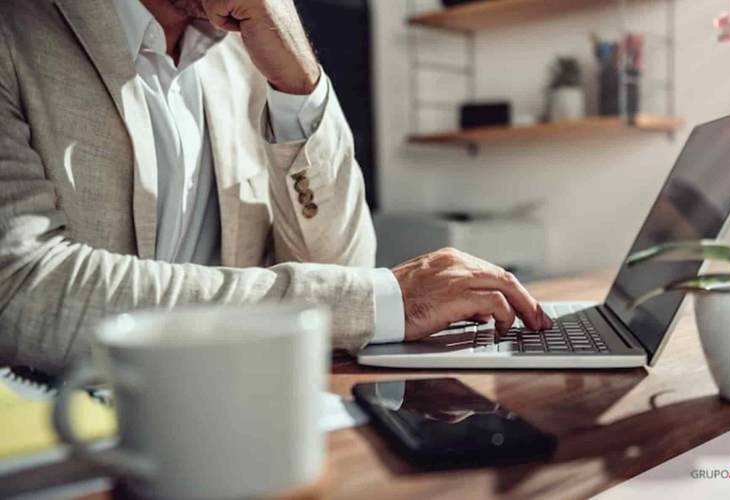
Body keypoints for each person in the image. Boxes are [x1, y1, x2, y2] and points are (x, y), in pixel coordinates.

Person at [0, 0, 551, 374]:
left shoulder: (245, 60)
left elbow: (342, 263)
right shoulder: (17, 31)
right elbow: (20, 292)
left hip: (244, 404)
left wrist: (300, 84)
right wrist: (378, 300)